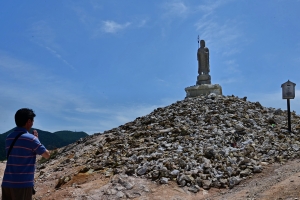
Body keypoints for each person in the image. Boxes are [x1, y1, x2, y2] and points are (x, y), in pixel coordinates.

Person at [1, 108, 50, 200]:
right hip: (22, 184)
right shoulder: (31, 139)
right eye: (32, 121)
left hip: (6, 183)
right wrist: (36, 139)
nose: (32, 124)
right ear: (28, 121)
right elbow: (47, 155)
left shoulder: (8, 138)